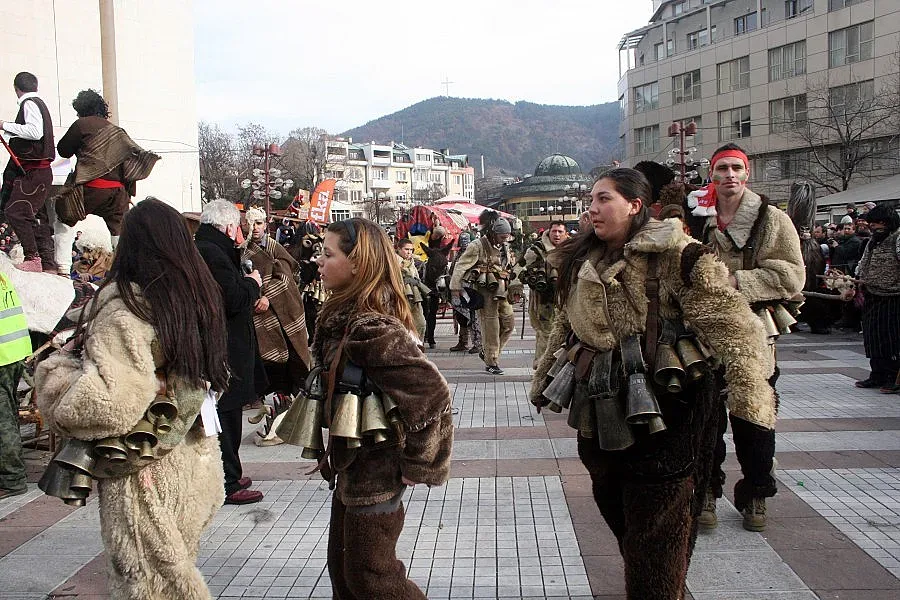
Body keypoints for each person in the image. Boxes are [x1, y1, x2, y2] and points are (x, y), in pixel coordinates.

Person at [531, 168, 775, 599]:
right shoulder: (580, 258)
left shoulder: (679, 256)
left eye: (604, 198)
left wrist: (750, 403)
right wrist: (544, 375)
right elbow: (565, 325)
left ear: (635, 205)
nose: (593, 208)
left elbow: (735, 328)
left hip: (670, 406)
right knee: (621, 512)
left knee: (655, 531)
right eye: (591, 199)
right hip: (598, 404)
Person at [34, 198, 230, 599]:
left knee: (147, 585)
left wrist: (57, 374)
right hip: (193, 460)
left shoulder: (127, 310)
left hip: (143, 470)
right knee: (171, 573)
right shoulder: (196, 302)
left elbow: (109, 405)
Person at [312, 217, 453, 597]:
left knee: (371, 577)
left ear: (357, 263)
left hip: (377, 468)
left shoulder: (371, 328)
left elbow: (431, 393)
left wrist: (420, 463)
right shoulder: (344, 318)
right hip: (353, 464)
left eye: (328, 254)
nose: (319, 261)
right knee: (346, 571)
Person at [692, 143, 804, 532]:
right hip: (703, 332)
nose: (729, 175)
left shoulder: (771, 219)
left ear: (747, 173)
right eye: (722, 168)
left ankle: (757, 492)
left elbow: (792, 275)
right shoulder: (696, 219)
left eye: (736, 168)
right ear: (712, 174)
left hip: (754, 331)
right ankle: (706, 490)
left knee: (755, 417)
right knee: (705, 419)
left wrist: (737, 280)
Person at [195, 199, 267, 505]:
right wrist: (252, 284)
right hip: (224, 349)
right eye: (238, 227)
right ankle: (228, 481)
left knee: (228, 413)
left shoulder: (208, 248)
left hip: (223, 347)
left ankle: (230, 473)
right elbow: (233, 298)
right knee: (226, 415)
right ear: (228, 227)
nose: (241, 233)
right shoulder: (212, 253)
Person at [51, 89, 159, 275]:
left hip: (89, 188)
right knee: (120, 232)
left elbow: (63, 150)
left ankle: (62, 268)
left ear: (81, 109)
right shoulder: (117, 131)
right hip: (117, 193)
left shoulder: (82, 124)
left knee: (64, 218)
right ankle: (125, 273)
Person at [243, 207, 311, 396]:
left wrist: (268, 296)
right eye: (251, 224)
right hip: (258, 309)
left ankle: (294, 393)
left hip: (282, 307)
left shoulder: (275, 247)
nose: (255, 228)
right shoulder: (242, 250)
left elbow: (285, 277)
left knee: (292, 351)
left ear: (265, 225)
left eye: (258, 223)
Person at [449, 212, 522, 375]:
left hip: (503, 290)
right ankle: (491, 361)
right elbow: (461, 265)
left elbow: (509, 266)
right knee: (491, 328)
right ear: (493, 233)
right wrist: (455, 287)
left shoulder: (505, 245)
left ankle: (488, 353)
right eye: (502, 237)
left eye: (507, 237)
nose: (505, 240)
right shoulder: (477, 245)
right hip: (485, 291)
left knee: (509, 325)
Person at [0, 72, 56, 273]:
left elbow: (34, 131)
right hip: (40, 172)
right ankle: (48, 263)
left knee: (15, 211)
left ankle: (33, 258)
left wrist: (4, 125)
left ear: (16, 89)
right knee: (37, 216)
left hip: (34, 171)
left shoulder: (29, 103)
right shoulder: (39, 104)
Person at [853, 205, 900, 393]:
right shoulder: (873, 241)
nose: (873, 227)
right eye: (871, 223)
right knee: (873, 337)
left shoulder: (897, 238)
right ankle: (877, 374)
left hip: (893, 297)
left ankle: (892, 377)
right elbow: (863, 263)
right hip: (872, 294)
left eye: (878, 223)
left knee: (891, 339)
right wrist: (856, 278)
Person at [516, 220, 567, 368]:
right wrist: (516, 288)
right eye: (554, 231)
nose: (557, 235)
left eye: (560, 232)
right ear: (549, 232)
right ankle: (542, 367)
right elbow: (519, 267)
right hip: (543, 299)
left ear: (565, 234)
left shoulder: (572, 247)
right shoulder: (537, 249)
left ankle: (550, 366)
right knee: (546, 332)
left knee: (562, 333)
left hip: (565, 298)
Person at [0, 272, 30, 500]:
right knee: (8, 415)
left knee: (3, 422)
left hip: (2, 357)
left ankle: (12, 480)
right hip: (15, 351)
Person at [447, 231, 482, 354]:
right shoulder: (458, 254)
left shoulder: (474, 254)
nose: (464, 243)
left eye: (466, 240)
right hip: (458, 290)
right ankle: (463, 342)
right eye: (462, 240)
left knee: (473, 317)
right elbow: (453, 270)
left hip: (470, 290)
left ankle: (478, 343)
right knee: (461, 317)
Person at [396, 237, 428, 343]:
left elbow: (417, 278)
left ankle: (418, 346)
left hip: (414, 297)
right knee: (402, 326)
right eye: (406, 249)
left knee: (421, 324)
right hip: (399, 297)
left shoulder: (413, 262)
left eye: (411, 250)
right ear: (399, 249)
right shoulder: (393, 262)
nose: (409, 252)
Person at [421, 239, 449, 349]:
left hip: (435, 290)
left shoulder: (442, 265)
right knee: (423, 313)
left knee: (432, 313)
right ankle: (423, 336)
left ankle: (431, 337)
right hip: (424, 287)